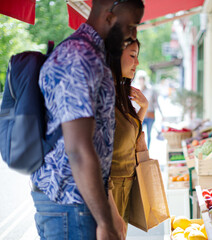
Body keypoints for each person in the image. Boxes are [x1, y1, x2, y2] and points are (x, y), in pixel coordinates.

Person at [31, 1, 144, 240]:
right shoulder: (80, 57)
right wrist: (105, 220)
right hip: (72, 204)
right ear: (110, 17)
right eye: (131, 26)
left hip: (77, 202)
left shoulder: (91, 55)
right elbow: (79, 149)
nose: (132, 35)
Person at [108, 39, 148, 234]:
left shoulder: (120, 93)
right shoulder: (103, 95)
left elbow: (131, 136)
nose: (137, 63)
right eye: (132, 55)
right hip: (109, 189)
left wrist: (144, 109)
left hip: (126, 184)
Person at [133, 70, 162, 148]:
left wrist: (161, 114)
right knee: (138, 133)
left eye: (143, 78)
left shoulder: (151, 90)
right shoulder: (136, 90)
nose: (141, 80)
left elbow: (156, 103)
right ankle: (139, 150)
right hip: (140, 115)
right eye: (140, 78)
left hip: (150, 115)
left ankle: (147, 150)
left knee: (149, 134)